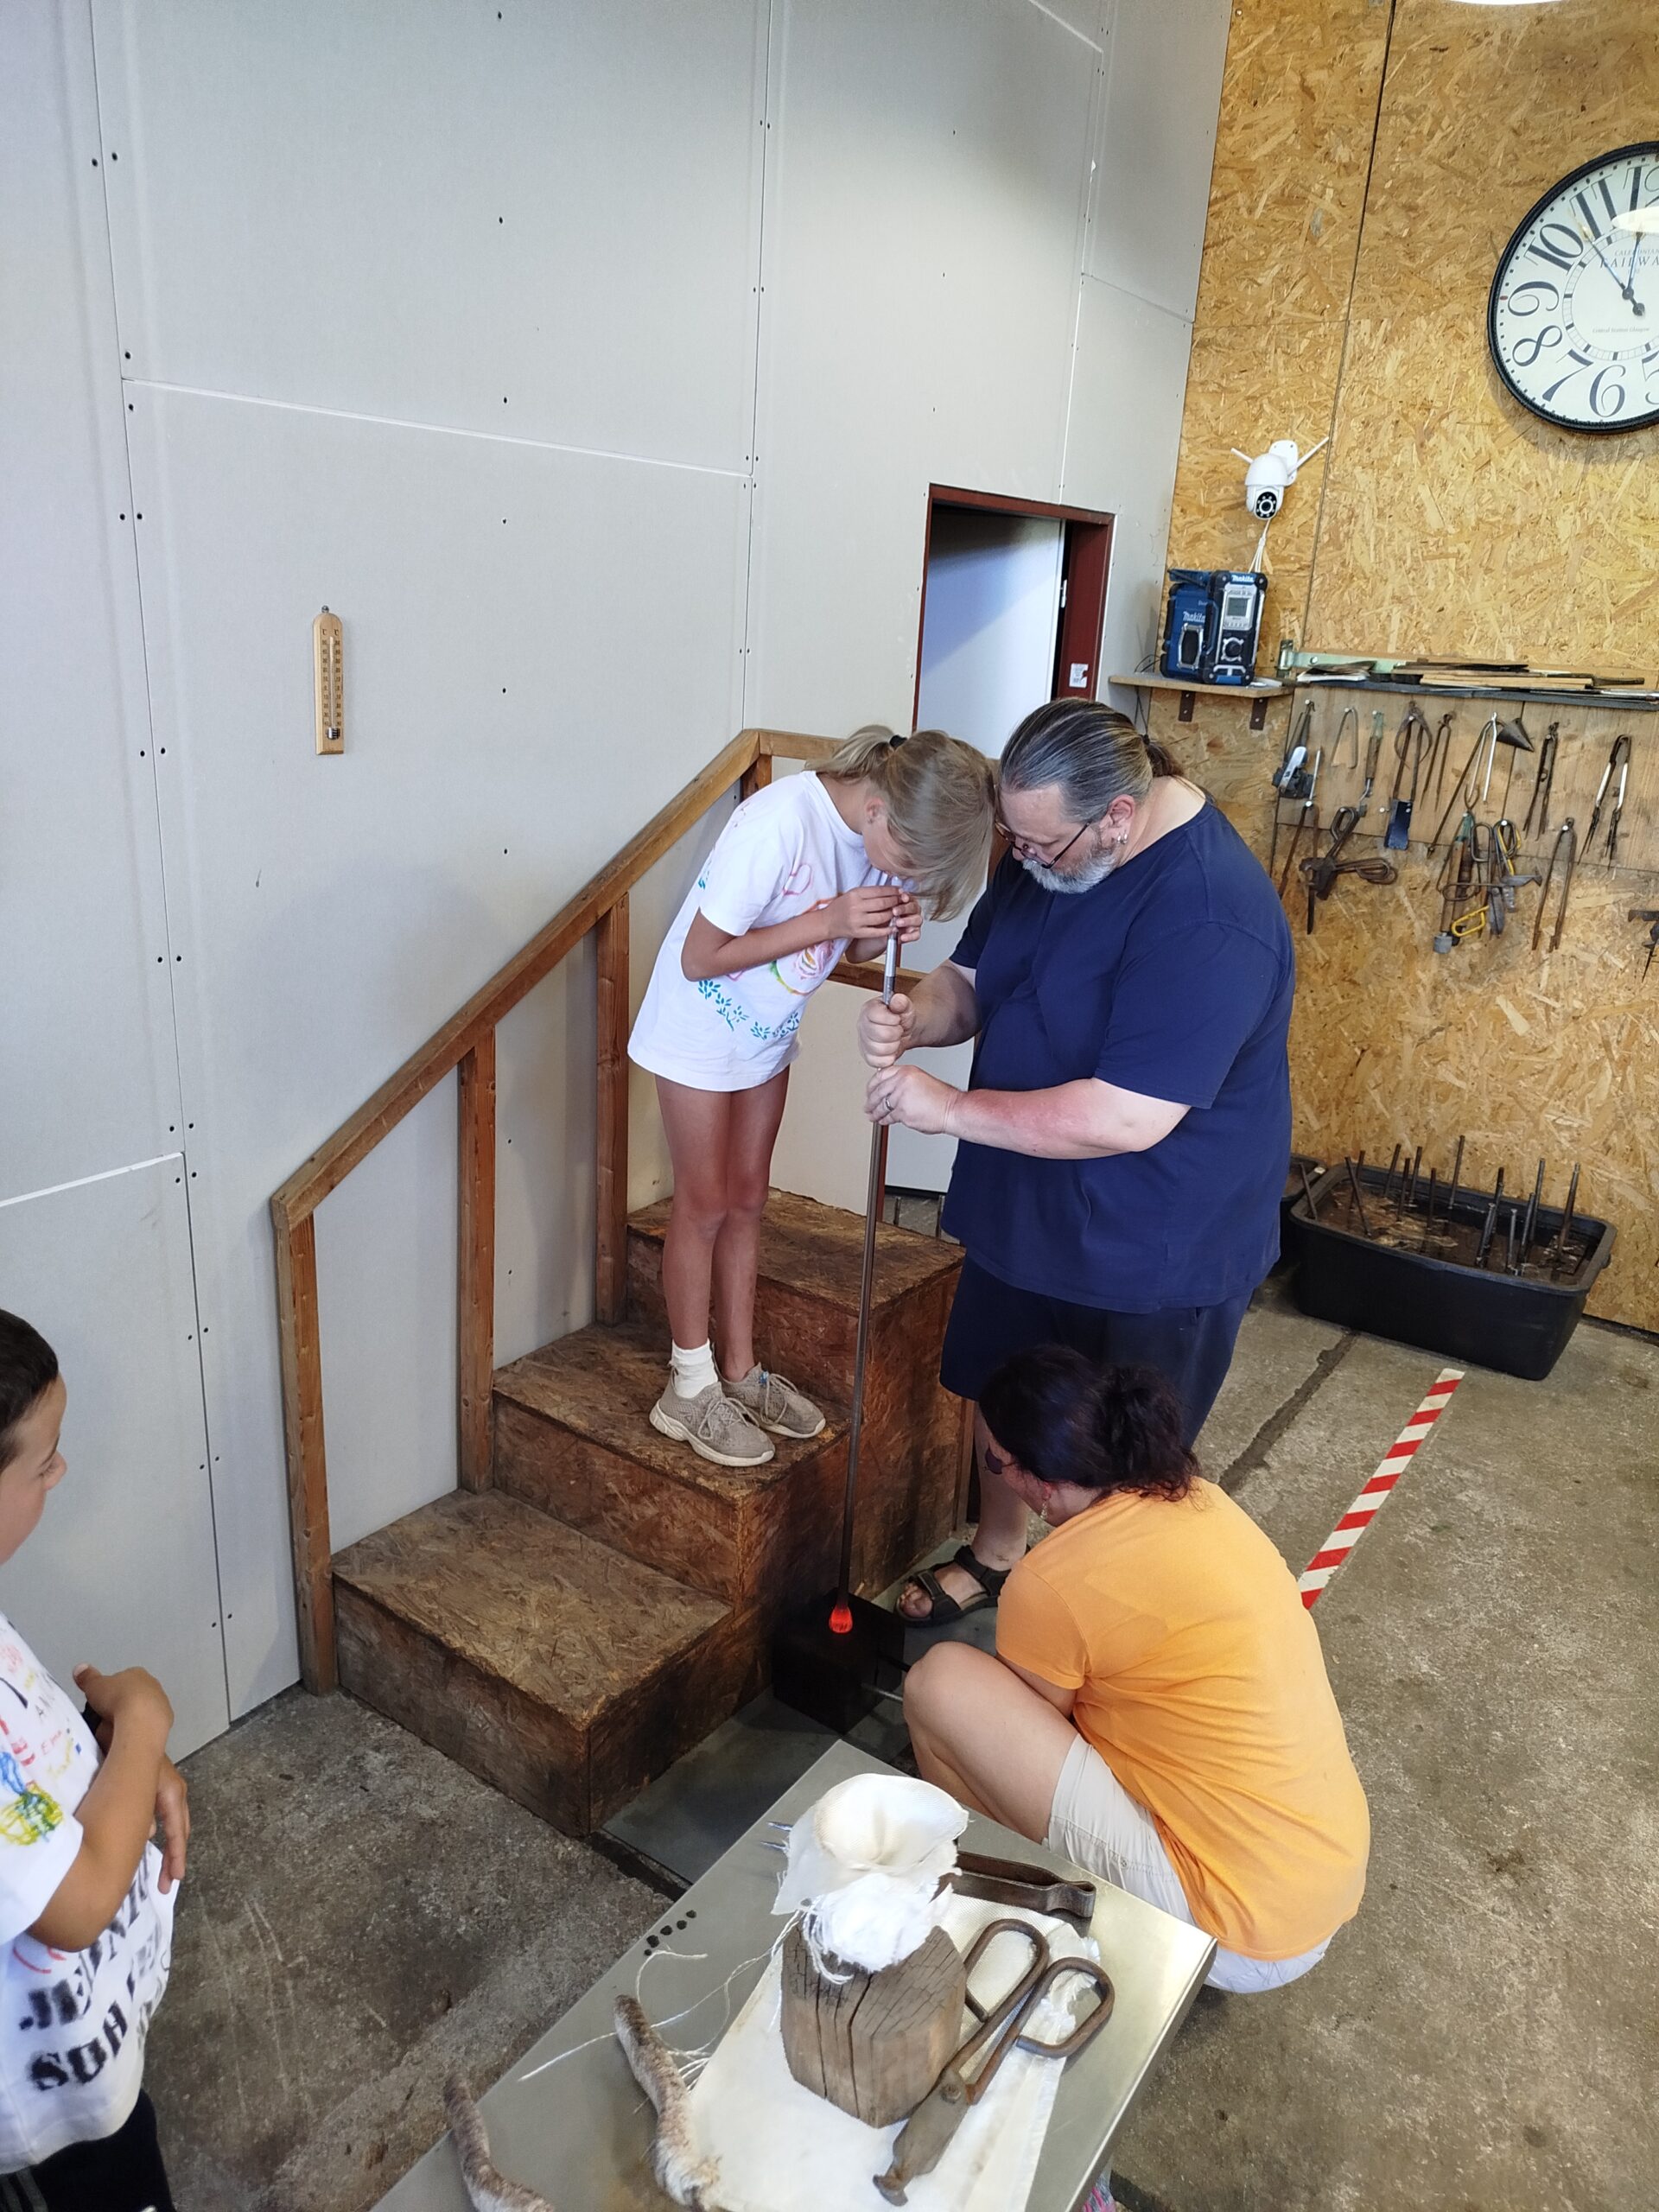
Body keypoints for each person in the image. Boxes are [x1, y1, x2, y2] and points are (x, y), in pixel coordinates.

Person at [858, 698, 1294, 1624]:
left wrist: (948, 1110)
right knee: (1004, 1386)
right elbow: (973, 979)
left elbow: (1124, 1116)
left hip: (1157, 1239)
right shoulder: (1048, 850)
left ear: (1117, 817)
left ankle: (1102, 1612)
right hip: (1026, 1196)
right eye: (1012, 838)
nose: (1020, 859)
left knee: (1125, 1457)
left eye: (1038, 844)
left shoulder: (1210, 914)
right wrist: (915, 1018)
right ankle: (998, 1552)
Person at [904, 1348, 1369, 1993]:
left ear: (1039, 1483)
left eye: (996, 1463)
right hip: (1318, 1881)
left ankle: (994, 1896)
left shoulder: (1051, 1581)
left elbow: (1035, 1723)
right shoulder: (1201, 1499)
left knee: (941, 1686)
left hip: (1232, 1929)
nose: (998, 1475)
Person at [629, 725, 995, 1469]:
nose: (906, 877)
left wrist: (880, 926)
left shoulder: (884, 834)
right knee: (704, 1204)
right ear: (880, 814)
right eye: (911, 867)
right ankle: (688, 1385)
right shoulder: (779, 823)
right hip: (699, 1031)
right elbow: (700, 957)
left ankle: (739, 1370)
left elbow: (848, 948)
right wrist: (830, 918)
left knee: (748, 1200)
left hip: (765, 1034)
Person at [0, 1311, 188, 2210]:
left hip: (75, 2044)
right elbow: (73, 1908)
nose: (62, 1472)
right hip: (40, 2112)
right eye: (44, 1464)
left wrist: (115, 1761)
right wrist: (142, 1718)